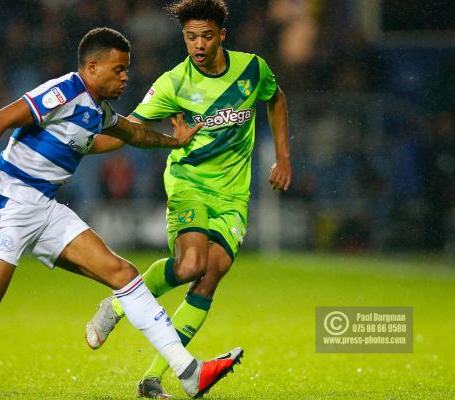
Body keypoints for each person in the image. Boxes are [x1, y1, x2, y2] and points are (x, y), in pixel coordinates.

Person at [0, 27, 243, 398]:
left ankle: (188, 372)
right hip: (9, 203)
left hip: (44, 207)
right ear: (92, 68)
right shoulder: (63, 92)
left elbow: (132, 133)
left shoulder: (98, 110)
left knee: (123, 274)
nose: (126, 77)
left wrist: (171, 141)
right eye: (119, 69)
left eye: (127, 69)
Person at [85, 1, 291, 397]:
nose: (198, 45)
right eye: (191, 36)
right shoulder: (172, 84)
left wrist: (283, 157)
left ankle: (152, 378)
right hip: (189, 183)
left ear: (222, 36)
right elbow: (130, 130)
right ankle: (116, 306)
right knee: (191, 264)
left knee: (211, 273)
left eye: (206, 36)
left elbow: (276, 98)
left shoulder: (252, 69)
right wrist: (81, 146)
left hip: (233, 193)